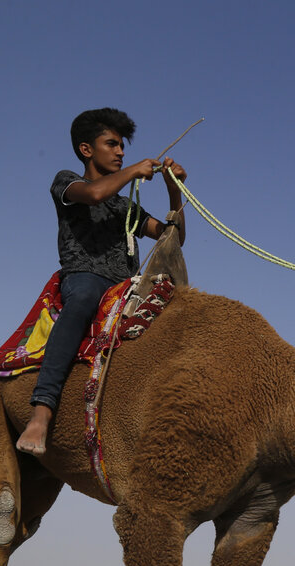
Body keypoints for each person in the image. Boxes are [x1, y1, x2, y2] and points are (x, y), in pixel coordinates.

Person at [17, 108, 187, 456]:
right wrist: (132, 171)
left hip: (127, 287)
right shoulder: (66, 182)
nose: (120, 152)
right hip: (85, 279)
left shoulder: (126, 206)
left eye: (122, 146)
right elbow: (94, 194)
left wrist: (174, 192)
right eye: (111, 144)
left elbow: (173, 238)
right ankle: (42, 411)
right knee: (83, 299)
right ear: (86, 149)